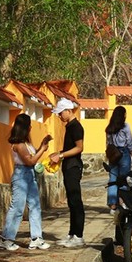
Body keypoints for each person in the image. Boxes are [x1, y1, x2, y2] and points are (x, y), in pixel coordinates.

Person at [0, 114, 52, 251]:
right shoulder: (19, 145)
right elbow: (30, 161)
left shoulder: (26, 143)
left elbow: (32, 158)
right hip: (21, 176)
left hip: (30, 175)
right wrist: (42, 150)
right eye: (29, 125)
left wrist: (42, 145)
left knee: (35, 206)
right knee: (17, 207)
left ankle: (36, 238)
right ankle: (6, 239)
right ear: (25, 127)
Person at [49, 98, 85, 248]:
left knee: (76, 201)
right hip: (68, 166)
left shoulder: (76, 127)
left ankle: (79, 236)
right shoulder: (69, 127)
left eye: (60, 113)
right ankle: (72, 234)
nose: (59, 116)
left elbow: (79, 148)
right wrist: (58, 153)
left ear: (68, 111)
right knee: (71, 202)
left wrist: (61, 155)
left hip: (73, 167)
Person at [105, 106, 132, 214]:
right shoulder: (125, 126)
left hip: (113, 154)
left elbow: (108, 143)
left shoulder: (109, 128)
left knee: (113, 179)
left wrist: (108, 155)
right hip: (124, 153)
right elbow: (129, 142)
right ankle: (123, 203)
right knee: (124, 179)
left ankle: (113, 205)